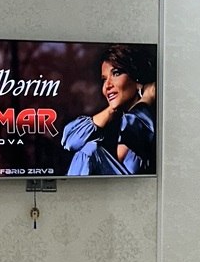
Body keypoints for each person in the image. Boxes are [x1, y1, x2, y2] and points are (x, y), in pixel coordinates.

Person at [62, 45, 156, 175]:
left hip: (137, 187)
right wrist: (111, 110)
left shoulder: (146, 116)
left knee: (90, 150)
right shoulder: (118, 120)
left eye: (116, 73)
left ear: (137, 78)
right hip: (112, 187)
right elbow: (70, 142)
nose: (107, 85)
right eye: (104, 79)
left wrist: (145, 100)